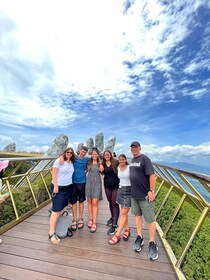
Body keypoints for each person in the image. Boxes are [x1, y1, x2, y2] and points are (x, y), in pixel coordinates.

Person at [129, 141, 158, 260]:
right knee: (137, 216)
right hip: (134, 194)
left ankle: (152, 242)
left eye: (136, 147)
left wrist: (151, 191)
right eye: (132, 147)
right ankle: (140, 237)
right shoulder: (132, 160)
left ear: (140, 148)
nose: (134, 149)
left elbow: (151, 175)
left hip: (145, 195)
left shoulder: (145, 159)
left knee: (150, 219)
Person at [48, 147, 75, 244]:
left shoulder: (71, 162)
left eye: (71, 153)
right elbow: (54, 174)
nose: (69, 154)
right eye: (67, 152)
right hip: (59, 188)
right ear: (64, 152)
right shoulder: (59, 161)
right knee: (56, 210)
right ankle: (51, 232)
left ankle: (58, 226)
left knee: (62, 208)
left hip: (68, 187)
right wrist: (55, 186)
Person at [109, 154, 131, 245]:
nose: (121, 161)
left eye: (123, 159)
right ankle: (127, 229)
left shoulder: (130, 168)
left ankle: (117, 235)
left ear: (125, 160)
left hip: (129, 190)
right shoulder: (118, 167)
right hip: (120, 190)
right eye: (120, 160)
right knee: (123, 212)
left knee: (124, 213)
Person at [69, 146, 89, 231]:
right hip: (73, 182)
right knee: (73, 202)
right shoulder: (74, 158)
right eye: (82, 151)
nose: (83, 153)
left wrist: (87, 169)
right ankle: (74, 219)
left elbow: (95, 160)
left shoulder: (87, 159)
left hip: (82, 182)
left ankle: (80, 218)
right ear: (79, 151)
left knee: (81, 200)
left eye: (85, 152)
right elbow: (65, 157)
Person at [86, 148, 103, 233]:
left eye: (96, 154)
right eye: (93, 154)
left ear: (98, 154)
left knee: (95, 202)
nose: (94, 155)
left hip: (97, 184)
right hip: (89, 183)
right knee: (89, 201)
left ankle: (95, 222)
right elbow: (85, 170)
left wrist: (99, 160)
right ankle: (91, 218)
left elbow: (102, 170)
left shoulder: (100, 162)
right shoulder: (88, 162)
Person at [102, 150, 120, 235]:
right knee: (110, 202)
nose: (106, 156)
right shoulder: (103, 163)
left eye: (108, 154)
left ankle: (115, 224)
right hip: (107, 186)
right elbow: (101, 172)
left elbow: (125, 165)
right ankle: (113, 217)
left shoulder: (116, 162)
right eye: (105, 155)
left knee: (114, 203)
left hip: (116, 186)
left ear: (110, 155)